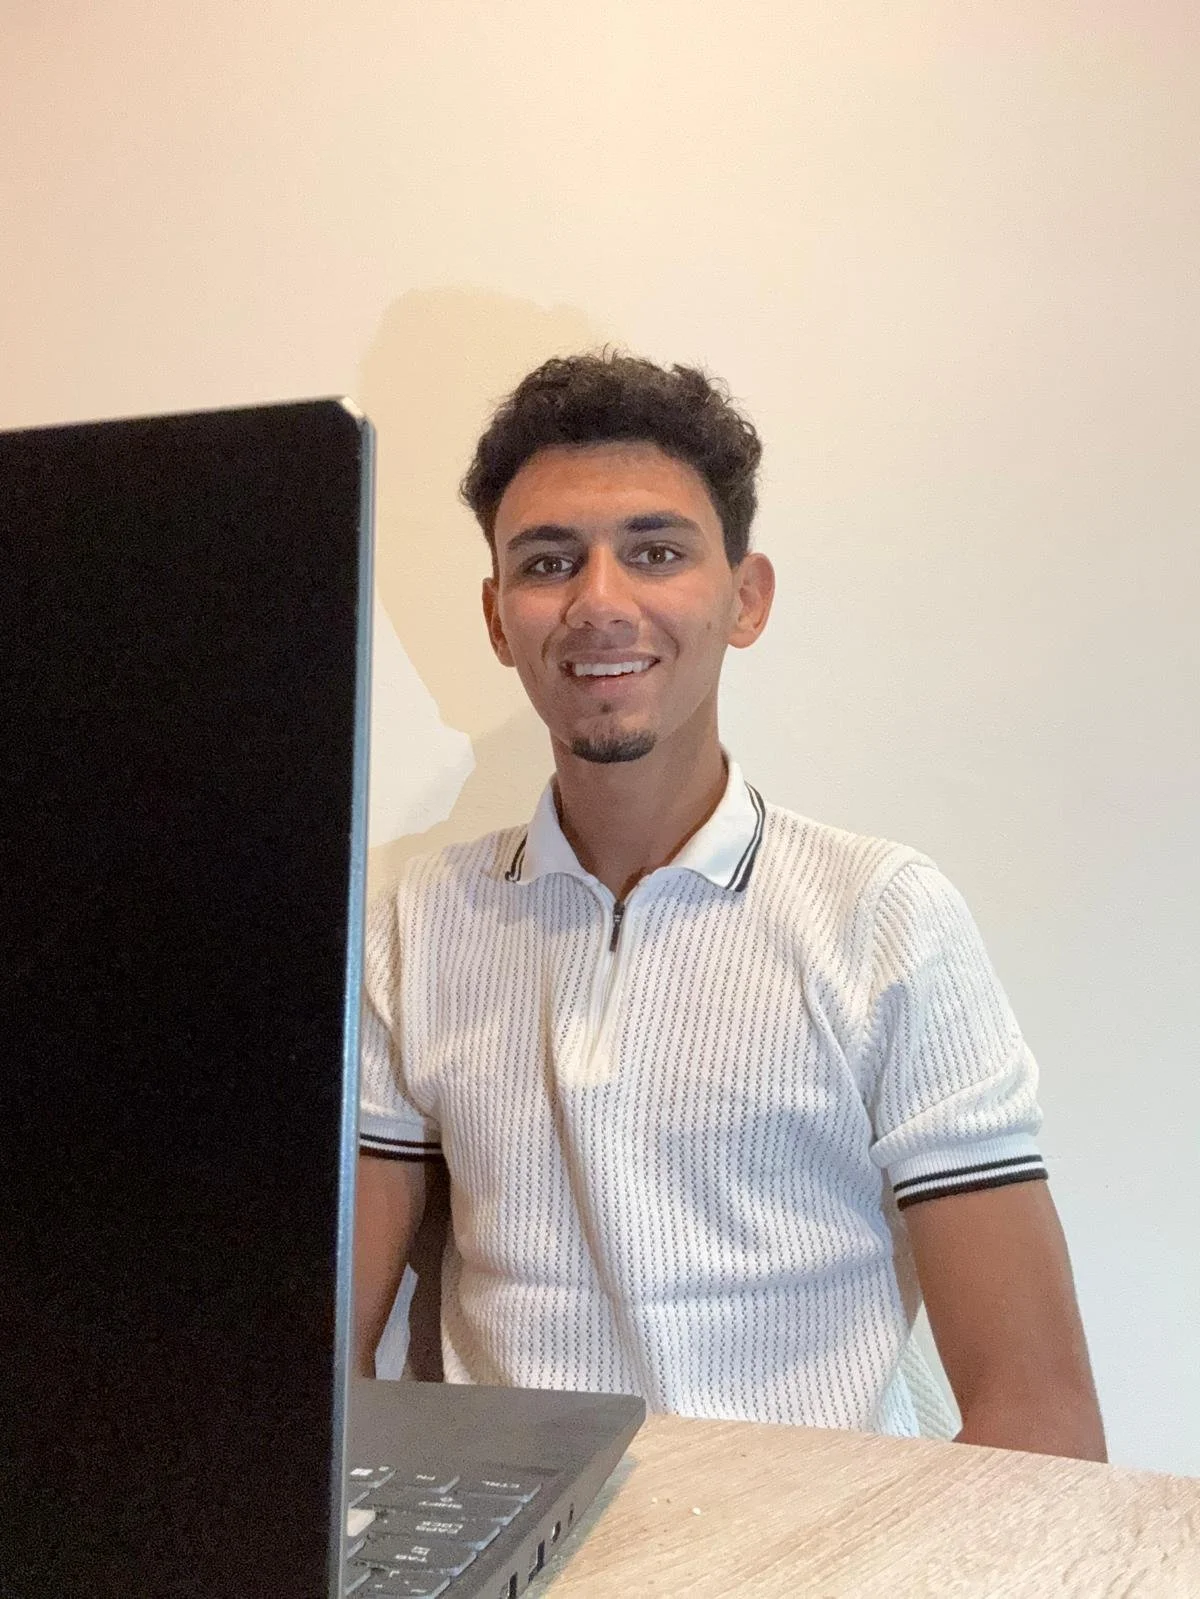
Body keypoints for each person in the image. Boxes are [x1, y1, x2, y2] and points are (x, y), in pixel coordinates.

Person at [354, 352, 1106, 1460]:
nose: (599, 603)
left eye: (655, 552)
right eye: (550, 562)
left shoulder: (883, 916)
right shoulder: (417, 927)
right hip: (514, 1556)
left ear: (744, 598)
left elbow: (1038, 1420)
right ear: (497, 617)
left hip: (824, 1560)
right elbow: (309, 1367)